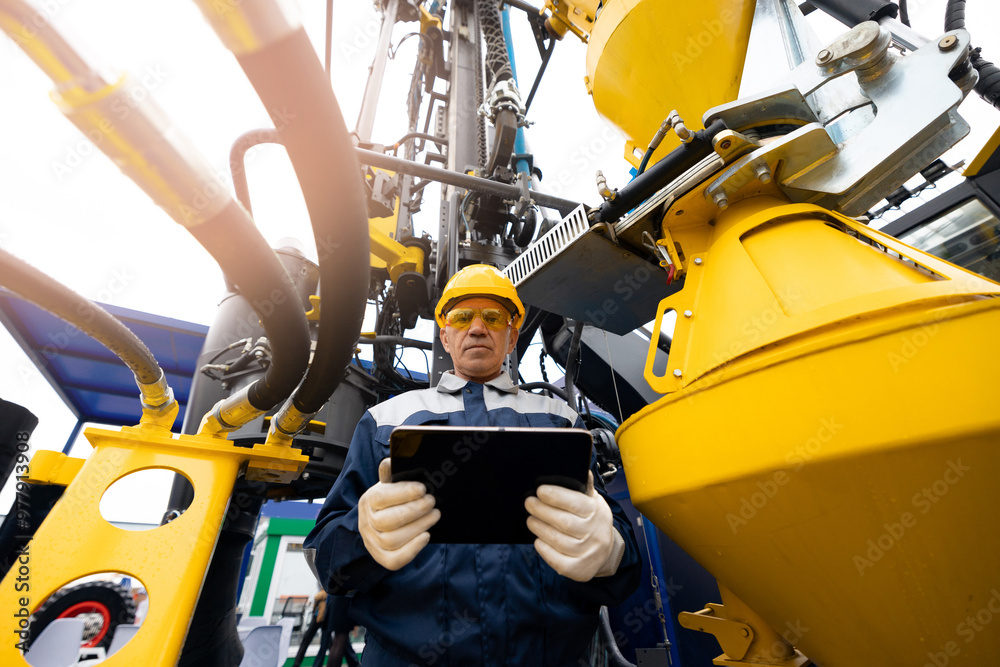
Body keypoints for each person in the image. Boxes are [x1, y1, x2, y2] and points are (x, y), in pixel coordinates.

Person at [304, 264, 640, 665]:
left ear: (512, 336)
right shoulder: (385, 420)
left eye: (493, 318)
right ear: (445, 335)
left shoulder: (561, 419)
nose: (477, 328)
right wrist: (361, 535)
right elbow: (325, 560)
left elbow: (623, 559)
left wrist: (610, 553)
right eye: (463, 317)